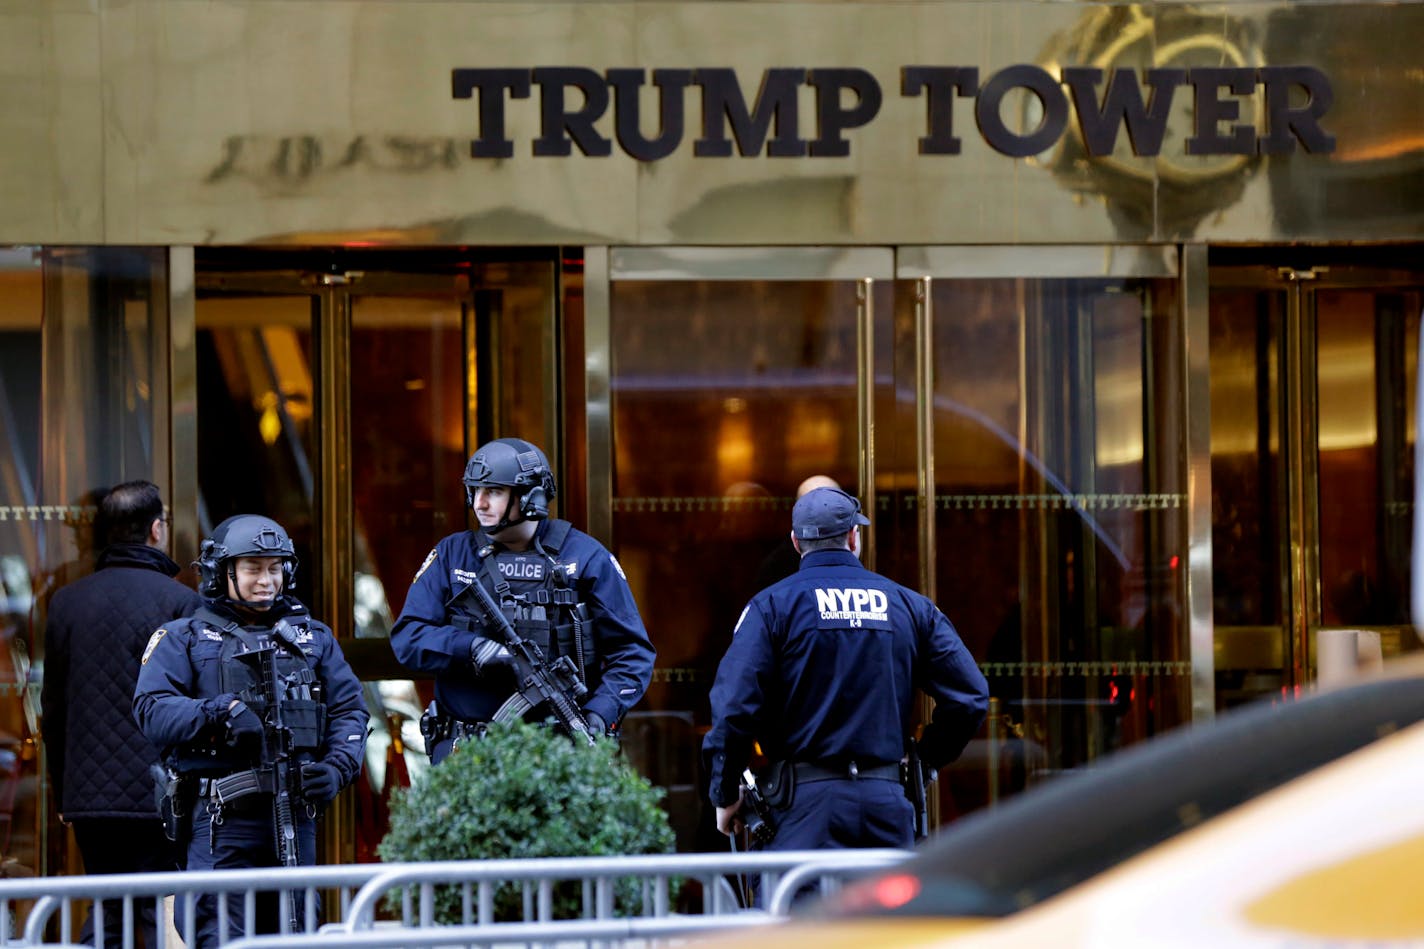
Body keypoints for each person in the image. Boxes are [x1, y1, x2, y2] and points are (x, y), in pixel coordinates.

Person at [703, 486, 990, 852]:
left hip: (802, 810)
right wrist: (926, 761)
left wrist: (725, 793)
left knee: (800, 908)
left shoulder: (771, 608)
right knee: (884, 910)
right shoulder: (909, 606)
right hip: (885, 804)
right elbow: (970, 698)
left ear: (795, 542)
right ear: (854, 537)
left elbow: (734, 710)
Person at [133, 514, 368, 948]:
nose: (266, 581)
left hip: (295, 817)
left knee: (296, 933)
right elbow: (152, 710)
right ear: (224, 573)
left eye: (275, 568)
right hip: (222, 821)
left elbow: (350, 710)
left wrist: (337, 767)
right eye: (254, 568)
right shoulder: (184, 636)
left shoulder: (311, 638)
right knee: (219, 933)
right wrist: (219, 712)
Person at [392, 436, 655, 763]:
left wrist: (600, 715)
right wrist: (471, 648)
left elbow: (632, 654)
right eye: (475, 490)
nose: (479, 503)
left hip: (558, 753)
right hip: (465, 754)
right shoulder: (453, 555)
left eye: (494, 492)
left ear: (531, 497)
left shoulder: (585, 557)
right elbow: (408, 638)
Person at [41, 480, 201, 948]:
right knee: (147, 907)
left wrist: (63, 792)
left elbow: (54, 708)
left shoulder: (67, 602)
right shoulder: (181, 603)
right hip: (159, 790)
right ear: (156, 529)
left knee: (111, 904)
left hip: (88, 795)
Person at [751, 475, 845, 592]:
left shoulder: (856, 549)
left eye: (828, 504)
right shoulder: (777, 565)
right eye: (811, 506)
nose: (821, 512)